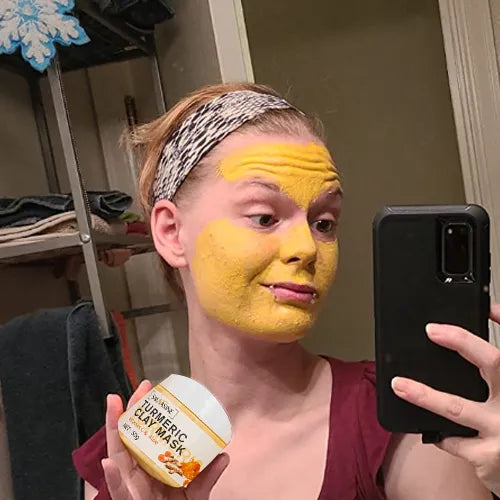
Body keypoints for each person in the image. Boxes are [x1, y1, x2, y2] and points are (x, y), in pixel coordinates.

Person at [74, 83, 500, 500]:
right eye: (264, 217)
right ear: (171, 233)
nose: (307, 248)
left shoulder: (398, 414)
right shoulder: (127, 459)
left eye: (324, 223)